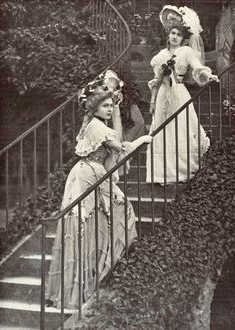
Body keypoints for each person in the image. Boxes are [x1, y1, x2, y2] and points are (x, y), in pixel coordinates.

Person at [46, 78, 152, 309]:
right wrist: (142, 139)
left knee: (107, 218)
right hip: (89, 175)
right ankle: (92, 278)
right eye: (105, 106)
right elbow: (122, 148)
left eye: (111, 105)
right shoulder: (96, 126)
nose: (110, 108)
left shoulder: (96, 125)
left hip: (92, 172)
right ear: (94, 108)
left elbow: (115, 150)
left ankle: (98, 273)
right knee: (101, 219)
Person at [146, 5, 219, 184]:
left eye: (179, 35)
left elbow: (196, 66)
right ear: (168, 35)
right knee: (163, 130)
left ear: (183, 38)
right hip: (164, 94)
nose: (175, 37)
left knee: (180, 128)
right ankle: (162, 173)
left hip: (179, 93)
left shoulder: (186, 52)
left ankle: (182, 170)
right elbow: (156, 80)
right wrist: (153, 100)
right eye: (173, 34)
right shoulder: (160, 55)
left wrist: (207, 74)